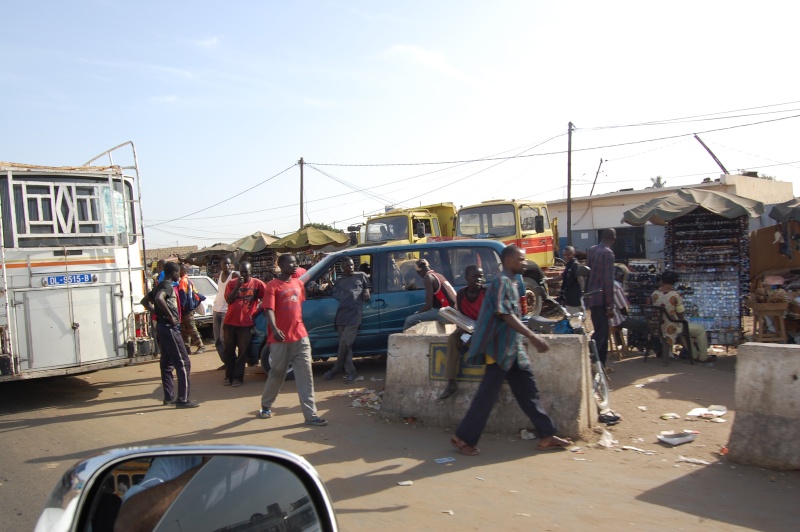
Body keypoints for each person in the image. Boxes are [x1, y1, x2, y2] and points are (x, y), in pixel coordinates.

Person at [450, 245, 573, 456]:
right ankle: (463, 438)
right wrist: (532, 336)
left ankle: (547, 434)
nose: (524, 263)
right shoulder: (502, 282)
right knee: (486, 396)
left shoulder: (514, 282)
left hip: (512, 348)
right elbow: (505, 314)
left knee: (528, 391)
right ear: (508, 261)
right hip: (498, 348)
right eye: (521, 259)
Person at [259, 254, 327, 426]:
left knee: (306, 376)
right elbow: (268, 310)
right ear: (281, 265)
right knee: (277, 374)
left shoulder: (298, 283)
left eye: (296, 262)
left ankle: (310, 415)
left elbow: (298, 305)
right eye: (291, 262)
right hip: (280, 339)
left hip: (300, 337)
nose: (295, 265)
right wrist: (274, 329)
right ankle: (266, 405)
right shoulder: (272, 286)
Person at [140, 261, 199, 408]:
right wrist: (169, 316)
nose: (178, 276)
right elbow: (159, 298)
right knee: (184, 363)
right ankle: (183, 399)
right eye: (178, 273)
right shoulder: (166, 285)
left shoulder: (158, 285)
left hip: (162, 327)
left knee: (166, 364)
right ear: (173, 273)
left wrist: (157, 313)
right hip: (170, 328)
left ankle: (168, 397)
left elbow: (145, 301)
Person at [438, 265, 486, 400]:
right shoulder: (461, 294)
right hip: (467, 327)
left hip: (484, 328)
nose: (479, 279)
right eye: (475, 276)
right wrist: (465, 329)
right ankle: (451, 382)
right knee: (453, 339)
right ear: (467, 278)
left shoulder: (486, 293)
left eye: (481, 276)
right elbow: (461, 315)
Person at [324, 257, 371, 384]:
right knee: (346, 346)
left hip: (354, 315)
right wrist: (326, 284)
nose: (350, 268)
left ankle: (335, 369)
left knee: (344, 343)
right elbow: (333, 292)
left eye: (351, 265)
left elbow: (368, 286)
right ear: (342, 268)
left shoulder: (361, 275)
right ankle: (351, 373)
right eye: (347, 266)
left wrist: (366, 290)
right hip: (341, 317)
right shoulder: (339, 281)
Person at [650, 270, 711, 362]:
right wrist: (683, 321)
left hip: (657, 327)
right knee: (700, 330)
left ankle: (694, 355)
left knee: (685, 330)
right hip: (671, 327)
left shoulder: (654, 294)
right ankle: (703, 357)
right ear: (674, 282)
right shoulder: (675, 295)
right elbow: (680, 313)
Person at [222, 261, 266, 387]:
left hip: (246, 324)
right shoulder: (231, 283)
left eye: (246, 272)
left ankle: (237, 378)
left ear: (250, 271)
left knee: (242, 352)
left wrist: (260, 308)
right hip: (230, 322)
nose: (243, 275)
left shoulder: (257, 284)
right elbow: (229, 300)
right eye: (241, 272)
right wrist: (237, 285)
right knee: (229, 351)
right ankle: (228, 376)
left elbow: (268, 295)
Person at [586, 228, 616, 368]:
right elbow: (608, 281)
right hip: (602, 299)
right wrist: (610, 305)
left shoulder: (592, 250)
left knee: (600, 331)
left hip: (592, 297)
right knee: (601, 334)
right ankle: (590, 359)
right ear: (613, 239)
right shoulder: (608, 254)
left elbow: (587, 273)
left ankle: (601, 366)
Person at [402, 259, 456, 330]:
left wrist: (417, 313)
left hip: (446, 314)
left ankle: (407, 341)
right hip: (453, 312)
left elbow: (428, 305)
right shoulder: (438, 275)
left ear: (420, 270)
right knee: (419, 315)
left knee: (409, 320)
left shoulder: (428, 277)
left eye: (417, 272)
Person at [212, 258, 238, 369]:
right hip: (216, 308)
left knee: (224, 339)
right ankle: (227, 361)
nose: (226, 266)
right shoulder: (220, 273)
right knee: (217, 340)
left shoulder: (234, 275)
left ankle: (232, 361)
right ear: (220, 266)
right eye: (224, 264)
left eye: (228, 263)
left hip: (226, 310)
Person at [178, 264, 205, 354]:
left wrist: (182, 307)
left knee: (191, 327)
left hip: (187, 309)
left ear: (181, 271)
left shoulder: (183, 281)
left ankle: (200, 345)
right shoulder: (188, 280)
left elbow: (183, 296)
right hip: (188, 308)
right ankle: (186, 348)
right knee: (184, 329)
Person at [557, 246, 583, 315]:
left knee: (574, 322)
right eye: (564, 255)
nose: (566, 257)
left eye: (568, 255)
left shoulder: (575, 265)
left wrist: (583, 294)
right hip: (568, 299)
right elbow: (562, 277)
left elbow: (580, 280)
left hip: (574, 300)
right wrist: (548, 280)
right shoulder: (569, 265)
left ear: (573, 254)